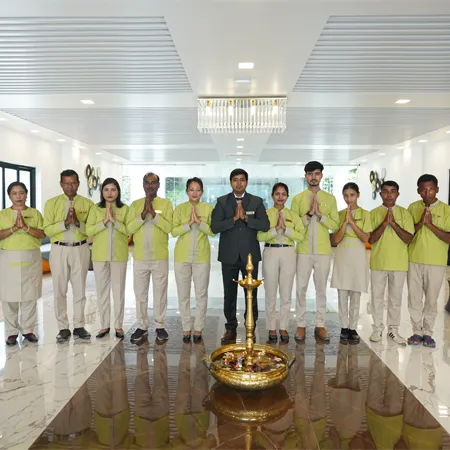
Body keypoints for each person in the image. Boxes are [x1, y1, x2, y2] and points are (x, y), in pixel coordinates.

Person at [211, 168, 270, 344]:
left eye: (242, 180)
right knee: (229, 294)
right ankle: (230, 327)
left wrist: (246, 219)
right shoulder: (222, 202)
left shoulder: (256, 201)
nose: (239, 183)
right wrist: (233, 220)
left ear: (246, 182)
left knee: (251, 293)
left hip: (250, 257)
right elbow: (215, 227)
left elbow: (265, 225)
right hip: (228, 255)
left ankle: (250, 326)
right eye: (235, 180)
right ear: (230, 182)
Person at [290, 161, 339, 343]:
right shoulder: (298, 199)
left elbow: (335, 225)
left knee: (321, 289)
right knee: (301, 288)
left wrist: (320, 215)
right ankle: (301, 324)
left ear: (321, 176)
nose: (313, 177)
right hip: (303, 250)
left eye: (316, 173)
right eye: (310, 174)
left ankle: (320, 324)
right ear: (305, 176)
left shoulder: (330, 199)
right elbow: (294, 225)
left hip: (323, 251)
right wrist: (309, 214)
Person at [44, 169, 93, 343]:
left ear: (78, 183)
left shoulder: (87, 204)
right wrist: (64, 223)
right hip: (59, 249)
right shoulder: (52, 203)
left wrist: (78, 223)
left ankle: (79, 325)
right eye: (66, 183)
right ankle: (63, 327)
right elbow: (47, 230)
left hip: (80, 248)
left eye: (73, 183)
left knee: (80, 288)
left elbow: (92, 230)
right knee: (59, 290)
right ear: (61, 184)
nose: (70, 186)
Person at [127, 172, 173, 344]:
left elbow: (169, 228)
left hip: (159, 256)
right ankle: (142, 326)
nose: (150, 186)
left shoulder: (166, 204)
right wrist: (141, 215)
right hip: (140, 257)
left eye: (153, 182)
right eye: (147, 182)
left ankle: (160, 325)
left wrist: (153, 215)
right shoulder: (135, 205)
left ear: (158, 185)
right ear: (143, 185)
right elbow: (128, 228)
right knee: (140, 293)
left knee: (160, 293)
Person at [257, 182, 305, 343]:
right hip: (270, 251)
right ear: (272, 196)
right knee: (270, 292)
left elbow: (301, 236)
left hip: (288, 252)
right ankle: (271, 327)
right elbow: (259, 236)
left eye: (283, 194)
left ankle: (283, 326)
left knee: (286, 292)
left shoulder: (293, 215)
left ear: (287, 196)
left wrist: (286, 230)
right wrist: (274, 230)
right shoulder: (265, 214)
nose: (280, 197)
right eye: (277, 194)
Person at [368, 181, 414, 345]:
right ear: (381, 194)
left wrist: (393, 223)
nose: (389, 194)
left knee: (395, 299)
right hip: (378, 263)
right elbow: (371, 239)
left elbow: (409, 239)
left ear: (397, 194)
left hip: (399, 263)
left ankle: (393, 330)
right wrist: (384, 223)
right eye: (386, 191)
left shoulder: (405, 214)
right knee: (377, 298)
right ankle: (377, 329)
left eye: (392, 191)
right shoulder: (373, 213)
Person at [407, 174, 450, 348]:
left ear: (437, 189)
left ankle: (428, 333)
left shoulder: (446, 210)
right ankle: (417, 331)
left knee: (431, 300)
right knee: (414, 299)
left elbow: (448, 238)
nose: (427, 193)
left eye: (431, 189)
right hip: (414, 260)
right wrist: (420, 223)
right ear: (418, 191)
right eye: (423, 189)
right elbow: (407, 235)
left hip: (436, 262)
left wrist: (430, 224)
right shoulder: (412, 208)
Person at [0, 182, 45, 345]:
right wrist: (14, 228)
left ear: (26, 194)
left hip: (30, 257)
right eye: (14, 193)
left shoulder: (35, 213)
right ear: (9, 196)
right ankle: (11, 332)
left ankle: (28, 330)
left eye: (21, 193)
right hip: (8, 258)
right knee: (9, 297)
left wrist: (25, 227)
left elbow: (42, 234)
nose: (18, 196)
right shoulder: (2, 214)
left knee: (29, 295)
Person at [171, 177, 214, 343]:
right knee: (183, 294)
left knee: (201, 294)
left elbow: (213, 232)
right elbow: (173, 231)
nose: (194, 193)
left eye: (198, 190)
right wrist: (189, 224)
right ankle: (186, 327)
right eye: (191, 190)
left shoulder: (208, 209)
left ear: (202, 191)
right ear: (187, 191)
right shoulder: (180, 209)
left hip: (201, 257)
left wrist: (200, 223)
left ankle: (198, 328)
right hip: (182, 256)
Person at [86, 178, 129, 340]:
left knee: (118, 291)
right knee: (102, 291)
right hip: (99, 255)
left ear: (118, 191)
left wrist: (115, 221)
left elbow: (129, 231)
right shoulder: (95, 209)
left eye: (113, 189)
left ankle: (118, 325)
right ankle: (104, 325)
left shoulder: (125, 209)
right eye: (106, 189)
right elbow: (89, 230)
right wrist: (104, 221)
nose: (109, 193)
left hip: (119, 255)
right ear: (102, 192)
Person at [331, 182, 372, 344]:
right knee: (342, 292)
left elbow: (365, 237)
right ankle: (344, 326)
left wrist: (352, 222)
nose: (349, 199)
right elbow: (336, 239)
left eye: (352, 195)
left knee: (356, 292)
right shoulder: (339, 214)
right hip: (343, 254)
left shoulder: (365, 214)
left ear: (358, 195)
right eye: (346, 195)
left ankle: (353, 327)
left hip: (358, 255)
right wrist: (344, 222)